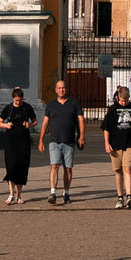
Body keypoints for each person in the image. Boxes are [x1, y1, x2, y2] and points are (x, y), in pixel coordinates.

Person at [42, 76, 84, 204]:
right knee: (54, 166)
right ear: (55, 90)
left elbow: (81, 119)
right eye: (59, 88)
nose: (61, 90)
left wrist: (82, 136)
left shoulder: (74, 103)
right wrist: (41, 139)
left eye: (63, 88)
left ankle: (66, 192)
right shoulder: (51, 105)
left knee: (68, 169)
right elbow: (45, 123)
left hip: (69, 141)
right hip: (54, 140)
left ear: (66, 89)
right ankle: (53, 192)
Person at [104, 80, 131, 208]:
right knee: (118, 171)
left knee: (127, 168)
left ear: (129, 98)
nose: (123, 103)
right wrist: (106, 143)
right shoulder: (112, 110)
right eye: (121, 101)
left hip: (130, 143)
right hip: (115, 144)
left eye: (125, 101)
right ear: (117, 97)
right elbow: (106, 128)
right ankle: (119, 197)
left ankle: (129, 196)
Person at [0, 84, 38, 203]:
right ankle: (11, 193)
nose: (18, 102)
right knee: (11, 167)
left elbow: (35, 121)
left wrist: (29, 125)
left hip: (24, 142)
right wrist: (6, 125)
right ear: (13, 99)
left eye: (20, 100)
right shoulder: (8, 108)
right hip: (11, 142)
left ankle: (19, 195)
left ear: (23, 99)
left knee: (22, 167)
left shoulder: (27, 108)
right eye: (16, 100)